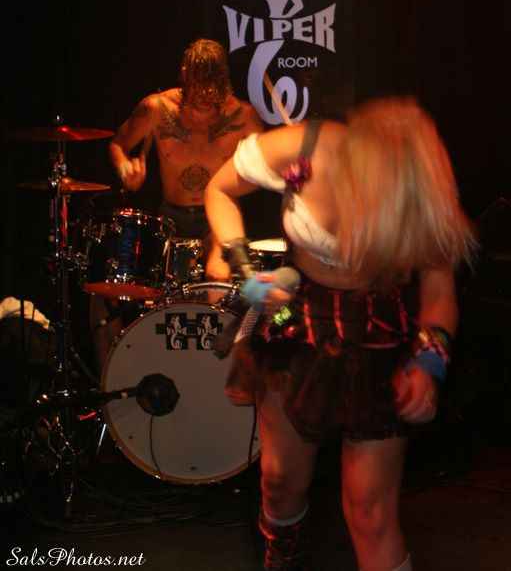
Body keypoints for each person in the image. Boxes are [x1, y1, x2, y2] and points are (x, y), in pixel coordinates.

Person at [204, 95, 476, 571]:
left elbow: (438, 293)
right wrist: (244, 270)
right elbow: (220, 189)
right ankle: (284, 556)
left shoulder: (422, 191)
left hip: (380, 335)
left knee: (370, 510)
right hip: (297, 323)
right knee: (280, 482)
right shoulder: (302, 147)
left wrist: (430, 363)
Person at [89, 38, 263, 373]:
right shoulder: (156, 108)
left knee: (217, 277)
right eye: (198, 84)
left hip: (216, 216)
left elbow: (264, 166)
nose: (206, 93)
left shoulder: (244, 116)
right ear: (184, 74)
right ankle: (113, 381)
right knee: (108, 292)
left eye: (213, 85)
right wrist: (125, 169)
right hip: (169, 217)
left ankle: (218, 374)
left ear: (224, 81)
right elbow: (118, 144)